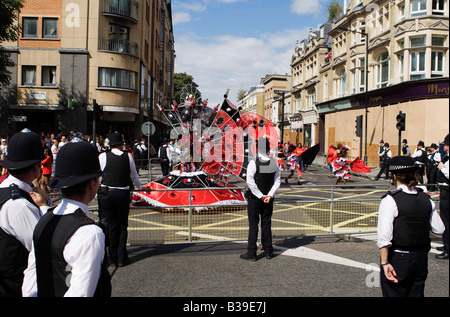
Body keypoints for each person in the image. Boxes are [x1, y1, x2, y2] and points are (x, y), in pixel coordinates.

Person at [22, 141, 111, 297]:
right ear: (93, 184)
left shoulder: (44, 219)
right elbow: (81, 293)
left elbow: (31, 278)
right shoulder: (89, 233)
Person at [377, 156, 445, 297]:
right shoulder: (425, 198)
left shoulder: (390, 199)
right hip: (420, 258)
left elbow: (384, 237)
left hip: (399, 257)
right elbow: (439, 229)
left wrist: (384, 263)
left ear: (394, 176)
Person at [0, 131, 49, 297]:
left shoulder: (5, 190)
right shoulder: (19, 204)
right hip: (15, 285)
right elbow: (43, 245)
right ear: (36, 167)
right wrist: (43, 207)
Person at [98, 132, 143, 267]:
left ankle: (111, 257)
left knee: (110, 226)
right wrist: (140, 187)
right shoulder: (128, 157)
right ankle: (121, 257)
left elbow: (97, 175)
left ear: (109, 145)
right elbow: (134, 176)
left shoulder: (102, 156)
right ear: (121, 145)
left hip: (106, 193)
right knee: (122, 226)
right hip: (122, 194)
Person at [241, 137, 281, 261]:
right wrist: (269, 195)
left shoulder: (254, 162)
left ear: (257, 148)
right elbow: (277, 181)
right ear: (268, 148)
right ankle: (268, 251)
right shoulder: (274, 163)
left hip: (255, 198)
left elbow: (250, 181)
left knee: (253, 225)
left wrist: (260, 195)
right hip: (268, 199)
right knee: (266, 224)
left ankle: (252, 253)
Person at [436, 134, 449, 260]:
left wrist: (443, 169)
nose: (444, 147)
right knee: (445, 220)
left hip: (448, 192)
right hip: (444, 191)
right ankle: (446, 244)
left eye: (445, 144)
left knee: (446, 221)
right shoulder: (446, 157)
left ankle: (448, 249)